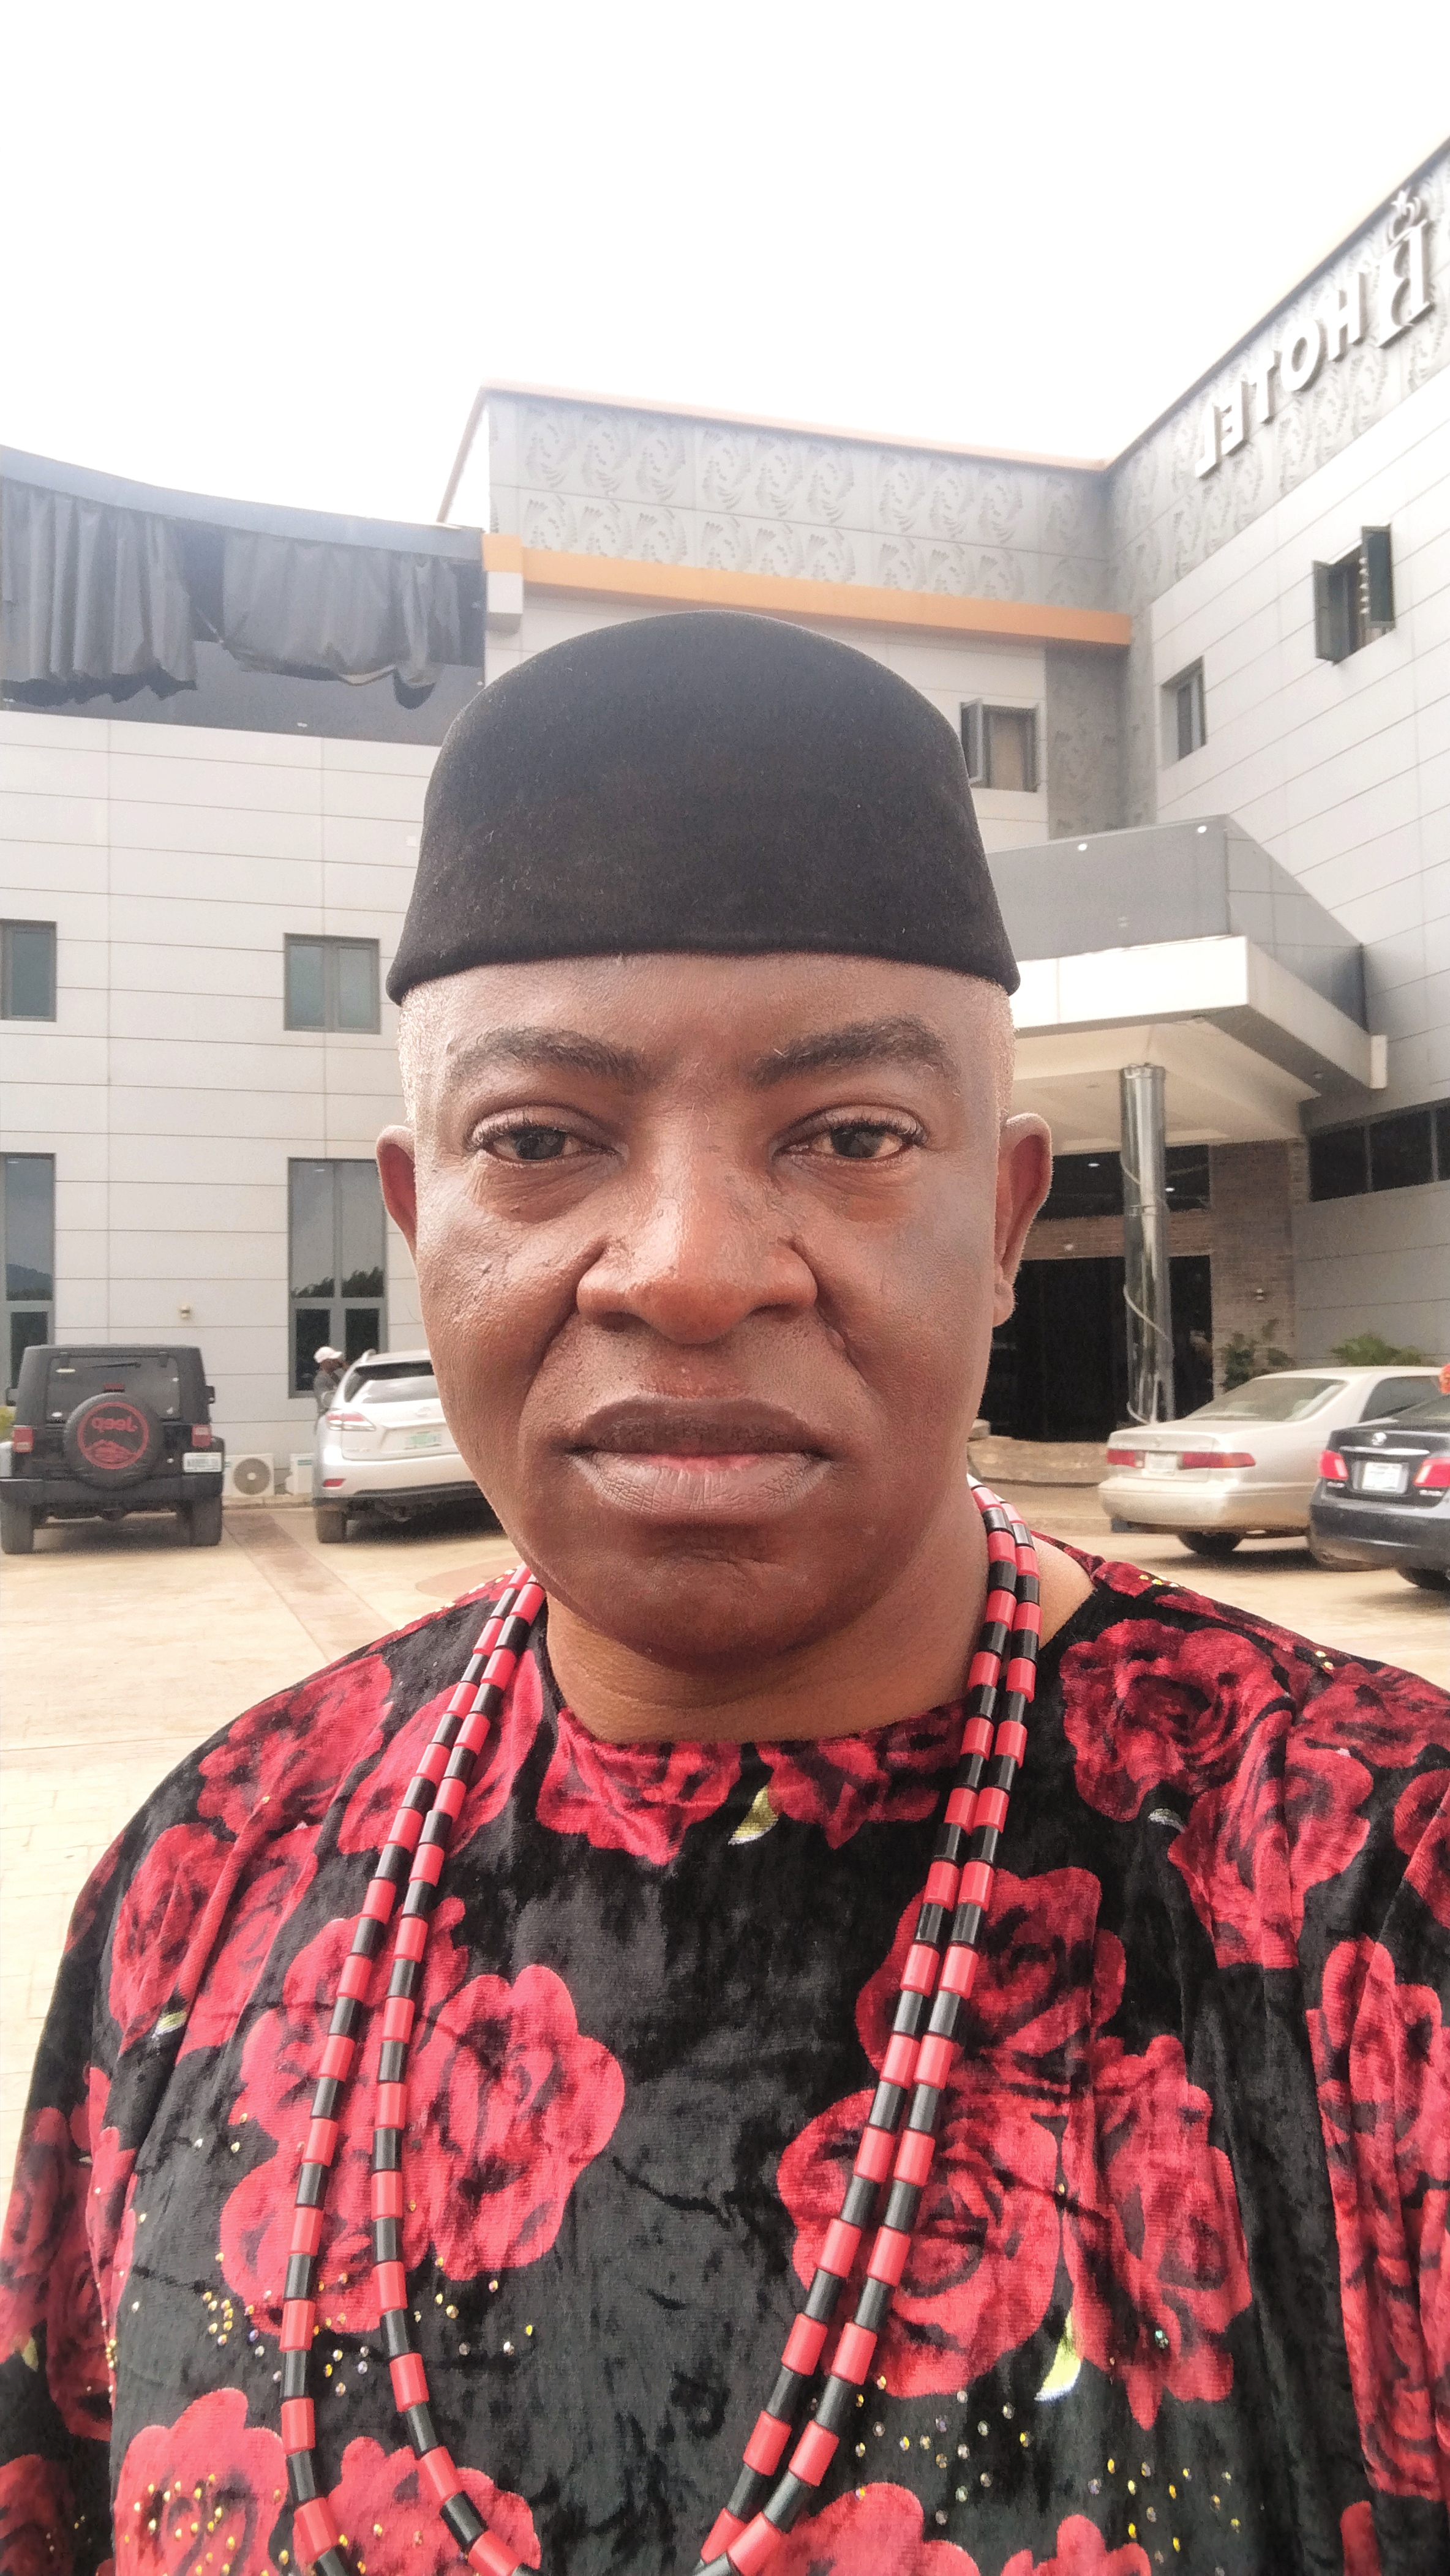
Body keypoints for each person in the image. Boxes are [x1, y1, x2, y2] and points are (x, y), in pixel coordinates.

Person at [1, 615, 1446, 2576]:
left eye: (851, 1136)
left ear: (1005, 1217)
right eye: (540, 1140)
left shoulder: (1377, 1884)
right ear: (421, 1221)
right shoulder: (207, 1871)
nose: (688, 1269)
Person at [312, 1347, 345, 1415]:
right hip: (327, 1415)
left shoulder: (334, 1376)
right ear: (327, 1362)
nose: (337, 1362)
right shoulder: (320, 1379)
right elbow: (327, 1401)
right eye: (334, 1360)